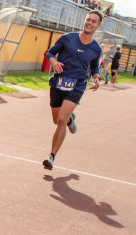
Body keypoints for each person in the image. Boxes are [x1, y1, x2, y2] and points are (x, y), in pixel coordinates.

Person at [41, 9, 104, 170]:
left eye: (93, 21)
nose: (89, 23)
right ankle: (70, 119)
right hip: (58, 82)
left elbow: (94, 67)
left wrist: (96, 77)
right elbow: (50, 53)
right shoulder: (67, 38)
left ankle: (51, 157)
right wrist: (54, 62)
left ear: (98, 26)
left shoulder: (96, 49)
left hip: (77, 85)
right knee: (57, 120)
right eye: (88, 20)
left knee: (61, 119)